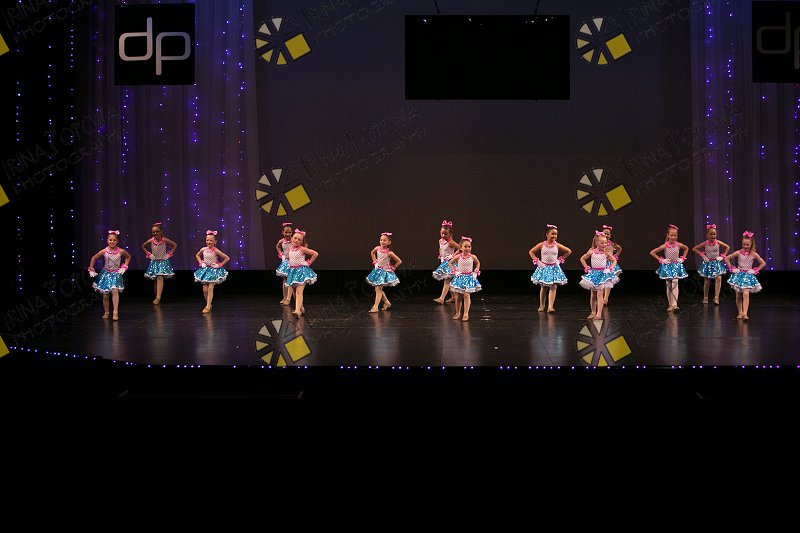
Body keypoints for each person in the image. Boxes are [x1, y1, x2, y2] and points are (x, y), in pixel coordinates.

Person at [88, 230, 132, 321]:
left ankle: (115, 312)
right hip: (106, 274)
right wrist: (91, 269)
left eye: (114, 240)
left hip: (115, 274)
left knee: (115, 291)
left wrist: (124, 267)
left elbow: (128, 257)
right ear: (107, 241)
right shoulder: (104, 251)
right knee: (105, 295)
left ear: (117, 241)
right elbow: (94, 258)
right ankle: (106, 312)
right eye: (110, 240)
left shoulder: (121, 251)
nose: (112, 242)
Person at [529, 224, 571, 312]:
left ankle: (550, 306)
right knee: (544, 287)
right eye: (552, 234)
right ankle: (542, 305)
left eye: (556, 234)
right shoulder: (541, 245)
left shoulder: (557, 245)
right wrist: (537, 261)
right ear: (547, 234)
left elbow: (568, 251)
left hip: (554, 268)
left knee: (553, 286)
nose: (554, 236)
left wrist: (560, 260)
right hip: (544, 267)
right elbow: (531, 252)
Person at [725, 230, 766, 320]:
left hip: (748, 275)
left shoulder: (753, 254)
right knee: (738, 295)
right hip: (739, 275)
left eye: (747, 245)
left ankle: (745, 313)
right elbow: (727, 258)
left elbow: (763, 263)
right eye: (744, 244)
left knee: (746, 293)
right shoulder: (738, 252)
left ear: (751, 244)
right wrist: (731, 268)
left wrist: (755, 270)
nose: (745, 246)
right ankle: (740, 312)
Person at [650, 224, 689, 312]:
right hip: (667, 267)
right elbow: (652, 252)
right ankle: (670, 304)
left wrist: (683, 258)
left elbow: (686, 248)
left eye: (675, 235)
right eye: (671, 235)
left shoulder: (678, 245)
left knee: (675, 282)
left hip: (676, 266)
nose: (673, 237)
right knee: (669, 285)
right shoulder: (665, 245)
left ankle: (675, 304)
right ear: (667, 235)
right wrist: (661, 260)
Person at [579, 231, 617, 319]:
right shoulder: (592, 252)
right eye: (602, 243)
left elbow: (614, 260)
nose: (604, 245)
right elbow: (582, 258)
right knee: (593, 295)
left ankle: (599, 314)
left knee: (600, 294)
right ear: (596, 243)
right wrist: (586, 267)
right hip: (593, 274)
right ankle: (593, 312)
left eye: (605, 243)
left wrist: (610, 268)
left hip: (602, 275)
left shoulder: (606, 253)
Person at [691, 223, 730, 304]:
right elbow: (694, 248)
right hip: (708, 263)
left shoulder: (718, 242)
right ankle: (705, 297)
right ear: (707, 235)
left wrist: (722, 256)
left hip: (716, 263)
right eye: (711, 234)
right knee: (707, 281)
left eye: (714, 234)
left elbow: (727, 247)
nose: (713, 236)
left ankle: (716, 298)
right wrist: (703, 255)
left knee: (718, 278)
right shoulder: (705, 243)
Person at [283, 229, 319, 317]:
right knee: (295, 292)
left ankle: (297, 310)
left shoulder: (302, 249)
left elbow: (315, 254)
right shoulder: (290, 248)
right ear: (292, 238)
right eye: (295, 238)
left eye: (299, 240)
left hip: (301, 272)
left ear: (301, 242)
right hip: (292, 272)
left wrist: (309, 262)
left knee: (299, 291)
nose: (296, 240)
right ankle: (301, 308)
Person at [194, 230, 230, 313]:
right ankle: (209, 304)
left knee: (210, 287)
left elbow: (227, 258)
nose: (209, 242)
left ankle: (207, 306)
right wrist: (201, 262)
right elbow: (197, 255)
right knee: (204, 290)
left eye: (211, 240)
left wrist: (219, 265)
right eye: (207, 240)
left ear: (215, 241)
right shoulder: (203, 249)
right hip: (205, 270)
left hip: (213, 271)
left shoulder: (216, 250)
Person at [366, 232, 403, 313]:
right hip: (377, 270)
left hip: (385, 272)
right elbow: (372, 252)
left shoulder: (389, 253)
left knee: (378, 288)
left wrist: (393, 267)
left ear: (389, 242)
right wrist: (375, 262)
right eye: (381, 240)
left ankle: (375, 307)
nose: (382, 242)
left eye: (384, 240)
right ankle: (386, 302)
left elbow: (399, 261)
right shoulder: (377, 248)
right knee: (377, 289)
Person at [141, 222, 176, 305]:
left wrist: (169, 254)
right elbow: (143, 246)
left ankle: (158, 297)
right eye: (153, 232)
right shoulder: (151, 240)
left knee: (160, 277)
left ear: (161, 231)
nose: (155, 233)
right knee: (155, 279)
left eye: (157, 231)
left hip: (162, 262)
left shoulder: (164, 240)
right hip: (154, 262)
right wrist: (149, 254)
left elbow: (174, 245)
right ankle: (157, 295)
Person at [448, 237, 481, 321]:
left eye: (469, 246)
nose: (467, 248)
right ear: (461, 248)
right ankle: (457, 313)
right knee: (458, 296)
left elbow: (478, 263)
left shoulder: (473, 257)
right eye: (465, 246)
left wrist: (476, 270)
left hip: (469, 278)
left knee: (466, 295)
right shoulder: (458, 257)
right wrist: (455, 271)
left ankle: (466, 314)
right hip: (460, 278)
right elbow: (450, 263)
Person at [432, 220, 460, 304]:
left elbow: (460, 248)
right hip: (444, 263)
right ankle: (454, 297)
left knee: (447, 280)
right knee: (448, 280)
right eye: (442, 233)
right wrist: (440, 255)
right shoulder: (440, 241)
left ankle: (441, 298)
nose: (443, 235)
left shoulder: (450, 242)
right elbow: (441, 248)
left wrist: (453, 255)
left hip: (450, 263)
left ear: (450, 234)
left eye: (445, 234)